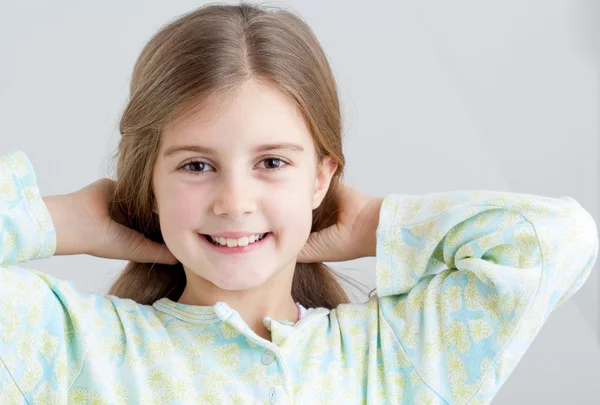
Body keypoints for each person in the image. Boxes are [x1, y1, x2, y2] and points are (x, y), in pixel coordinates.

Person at [0, 2, 598, 404]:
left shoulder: (395, 358)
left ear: (321, 178)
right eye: (196, 165)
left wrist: (372, 223)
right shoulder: (77, 349)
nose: (235, 201)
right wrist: (57, 219)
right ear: (149, 182)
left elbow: (557, 239)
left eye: (273, 163)